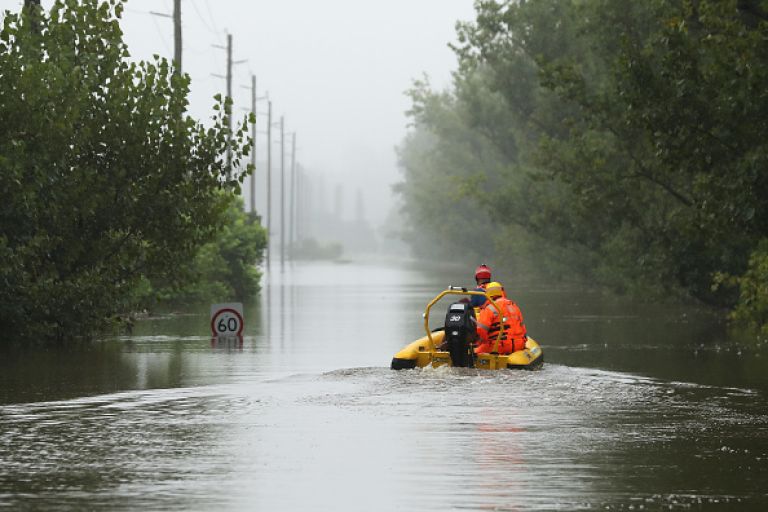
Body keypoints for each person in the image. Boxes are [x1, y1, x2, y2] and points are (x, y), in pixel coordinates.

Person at [474, 281, 527, 355]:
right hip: (519, 345)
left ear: (487, 294)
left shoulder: (489, 308)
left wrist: (483, 342)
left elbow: (481, 330)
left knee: (474, 353)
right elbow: (523, 328)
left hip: (500, 346)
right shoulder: (513, 305)